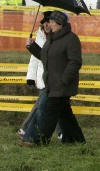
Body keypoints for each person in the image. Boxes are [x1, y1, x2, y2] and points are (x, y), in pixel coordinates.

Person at [20, 10, 84, 146]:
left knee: (45, 112)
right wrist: (32, 46)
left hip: (60, 86)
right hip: (51, 83)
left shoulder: (72, 39)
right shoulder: (52, 39)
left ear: (60, 24)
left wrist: (64, 80)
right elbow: (44, 56)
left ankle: (34, 140)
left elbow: (75, 62)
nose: (50, 25)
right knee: (65, 115)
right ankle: (75, 140)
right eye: (49, 22)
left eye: (52, 22)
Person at [17, 11, 61, 139]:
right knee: (47, 105)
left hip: (53, 77)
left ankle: (24, 129)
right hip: (43, 78)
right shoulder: (39, 37)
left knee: (46, 105)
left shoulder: (57, 37)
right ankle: (60, 132)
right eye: (45, 22)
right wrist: (30, 77)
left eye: (49, 22)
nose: (47, 25)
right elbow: (35, 59)